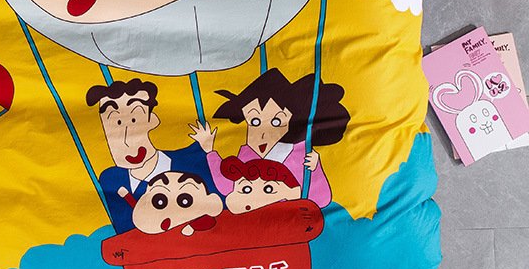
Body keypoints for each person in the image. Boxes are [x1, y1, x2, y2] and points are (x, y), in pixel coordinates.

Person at [190, 68, 349, 207]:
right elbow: (227, 187)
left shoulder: (301, 156)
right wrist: (210, 151)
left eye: (276, 121)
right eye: (255, 121)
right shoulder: (247, 156)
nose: (263, 133)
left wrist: (315, 169)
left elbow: (321, 199)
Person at [86, 78, 218, 233]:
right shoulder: (110, 179)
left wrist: (207, 151)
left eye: (134, 119)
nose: (126, 138)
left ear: (152, 120)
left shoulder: (192, 159)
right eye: (117, 123)